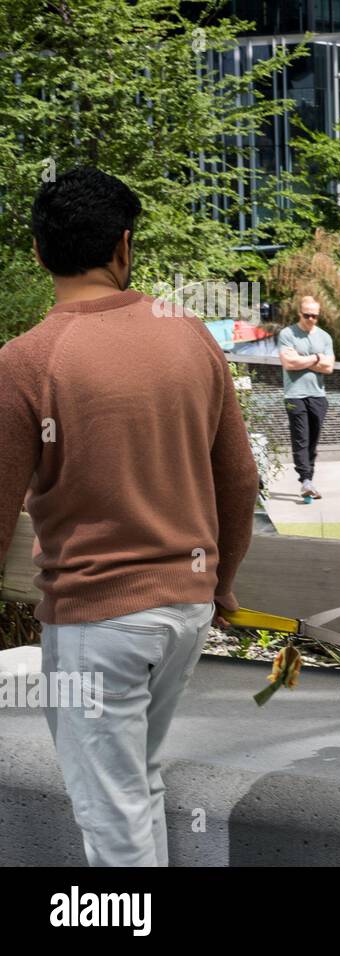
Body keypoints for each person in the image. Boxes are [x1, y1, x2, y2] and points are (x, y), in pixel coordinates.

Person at [0, 167, 260, 866]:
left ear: (37, 252)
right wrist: (222, 583)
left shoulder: (25, 362)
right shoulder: (191, 337)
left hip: (95, 622)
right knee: (137, 783)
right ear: (124, 247)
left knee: (109, 818)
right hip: (185, 610)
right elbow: (239, 478)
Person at [277, 295, 334, 499]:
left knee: (312, 440)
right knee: (301, 438)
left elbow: (329, 367)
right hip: (295, 395)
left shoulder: (325, 337)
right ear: (300, 313)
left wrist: (303, 359)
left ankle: (309, 478)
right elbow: (289, 364)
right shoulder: (287, 334)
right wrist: (317, 358)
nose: (311, 319)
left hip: (318, 395)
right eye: (307, 315)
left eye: (315, 316)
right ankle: (305, 480)